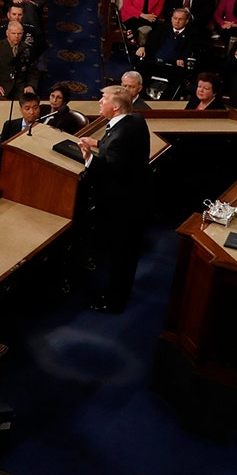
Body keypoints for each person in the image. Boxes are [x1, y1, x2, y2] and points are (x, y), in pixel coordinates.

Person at [76, 85, 151, 312]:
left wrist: (89, 158)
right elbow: (125, 152)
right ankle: (117, 292)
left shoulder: (119, 136)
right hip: (136, 201)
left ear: (115, 107)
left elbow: (111, 171)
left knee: (121, 255)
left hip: (122, 207)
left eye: (103, 98)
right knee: (125, 255)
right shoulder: (136, 120)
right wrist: (98, 143)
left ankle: (114, 302)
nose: (99, 102)